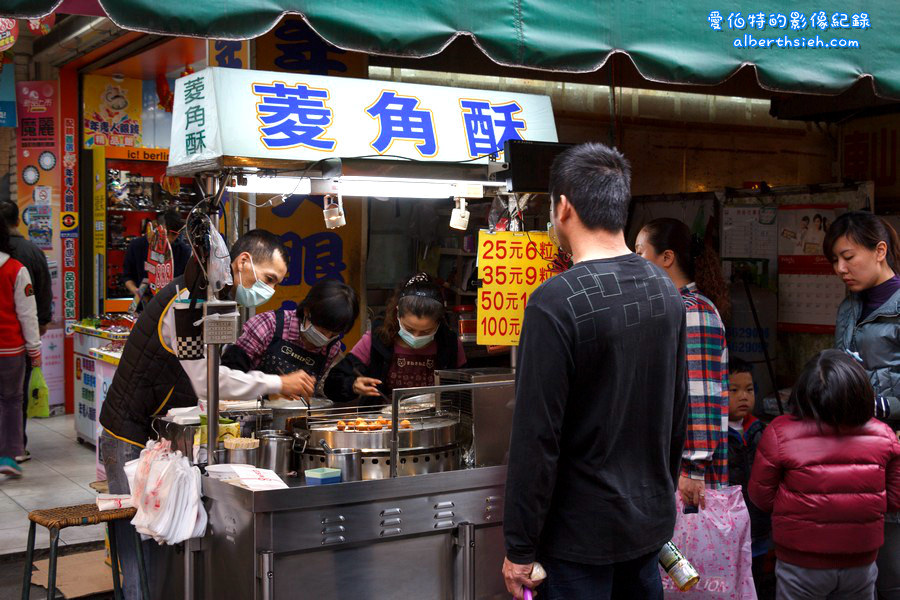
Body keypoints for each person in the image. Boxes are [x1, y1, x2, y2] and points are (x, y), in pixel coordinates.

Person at [501, 143, 688, 600]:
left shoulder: (554, 303)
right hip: (646, 528)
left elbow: (536, 437)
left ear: (563, 207)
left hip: (576, 542)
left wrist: (520, 547)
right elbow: (677, 412)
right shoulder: (664, 290)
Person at [98, 229, 313, 600]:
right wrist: (277, 382)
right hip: (127, 432)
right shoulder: (191, 302)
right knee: (141, 541)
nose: (271, 292)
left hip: (150, 429)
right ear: (243, 262)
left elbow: (205, 372)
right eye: (269, 280)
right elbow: (207, 380)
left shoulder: (214, 296)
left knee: (156, 538)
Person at [749, 350, 900, 600]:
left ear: (803, 392)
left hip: (800, 563)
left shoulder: (779, 432)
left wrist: (796, 509)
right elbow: (895, 499)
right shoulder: (884, 435)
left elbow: (760, 496)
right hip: (860, 561)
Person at [824, 210, 900, 599]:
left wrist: (881, 402)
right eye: (835, 260)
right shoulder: (848, 307)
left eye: (848, 256)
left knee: (891, 566)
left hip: (893, 451)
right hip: (851, 449)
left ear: (880, 251)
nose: (840, 268)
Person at [635, 218, 730, 508]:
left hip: (690, 479)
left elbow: (700, 394)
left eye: (640, 253)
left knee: (689, 554)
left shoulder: (693, 312)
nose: (634, 262)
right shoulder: (673, 307)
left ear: (667, 258)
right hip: (671, 470)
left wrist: (694, 468)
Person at [324, 273, 465, 404]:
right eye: (409, 329)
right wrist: (353, 385)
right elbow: (332, 384)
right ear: (397, 314)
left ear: (439, 323)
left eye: (426, 331)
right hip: (382, 423)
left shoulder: (450, 344)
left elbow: (465, 393)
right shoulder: (376, 339)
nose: (415, 337)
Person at [222, 279, 360, 395]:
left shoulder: (332, 347)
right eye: (323, 331)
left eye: (333, 334)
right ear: (307, 311)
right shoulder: (268, 325)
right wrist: (273, 390)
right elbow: (229, 378)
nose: (326, 338)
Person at [0, 200, 51, 464]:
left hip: (13, 343)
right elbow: (33, 306)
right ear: (17, 221)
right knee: (13, 398)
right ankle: (14, 448)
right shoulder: (27, 257)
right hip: (14, 345)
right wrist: (36, 341)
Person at [726, 357, 772, 593]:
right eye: (733, 390)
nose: (743, 396)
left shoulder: (762, 431)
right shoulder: (715, 436)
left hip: (759, 525)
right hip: (727, 529)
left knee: (757, 580)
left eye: (749, 389)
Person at [123, 209, 190, 310]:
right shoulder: (137, 246)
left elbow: (187, 282)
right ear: (156, 227)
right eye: (166, 234)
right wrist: (137, 291)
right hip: (142, 303)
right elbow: (127, 276)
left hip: (172, 305)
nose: (169, 240)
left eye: (175, 235)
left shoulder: (184, 251)